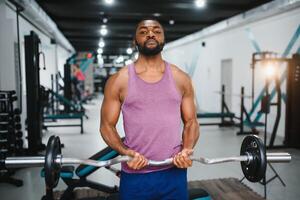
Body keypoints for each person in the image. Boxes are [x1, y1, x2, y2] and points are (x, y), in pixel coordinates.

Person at [100, 18, 199, 200]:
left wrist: (187, 149)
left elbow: (191, 122)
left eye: (156, 31)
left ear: (163, 38)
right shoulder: (119, 80)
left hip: (173, 172)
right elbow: (106, 126)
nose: (151, 34)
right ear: (135, 41)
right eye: (143, 32)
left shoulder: (180, 78)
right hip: (135, 174)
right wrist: (125, 152)